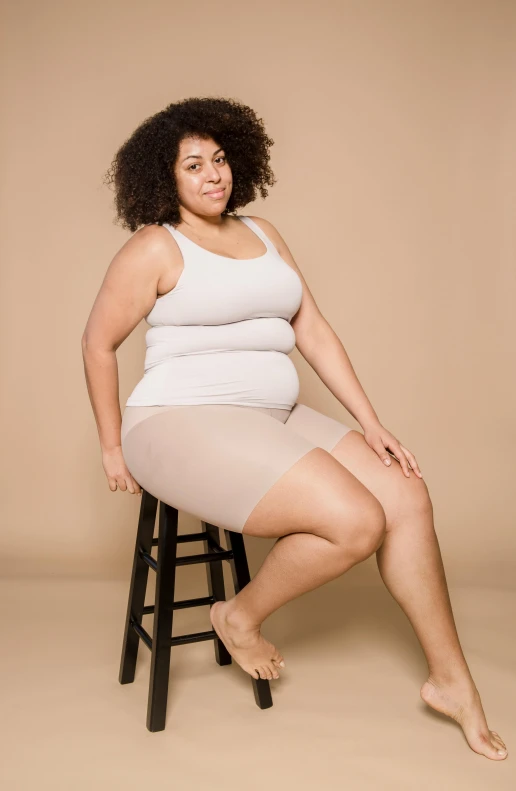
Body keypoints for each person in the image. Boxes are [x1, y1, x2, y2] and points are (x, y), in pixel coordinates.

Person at [81, 96, 507, 760]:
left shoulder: (265, 233)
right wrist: (111, 444)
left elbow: (312, 328)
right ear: (165, 180)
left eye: (219, 159)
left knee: (406, 494)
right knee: (357, 520)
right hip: (177, 421)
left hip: (268, 415)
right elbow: (97, 343)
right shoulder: (154, 247)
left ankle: (452, 681)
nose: (213, 175)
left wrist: (373, 424)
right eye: (193, 165)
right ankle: (239, 615)